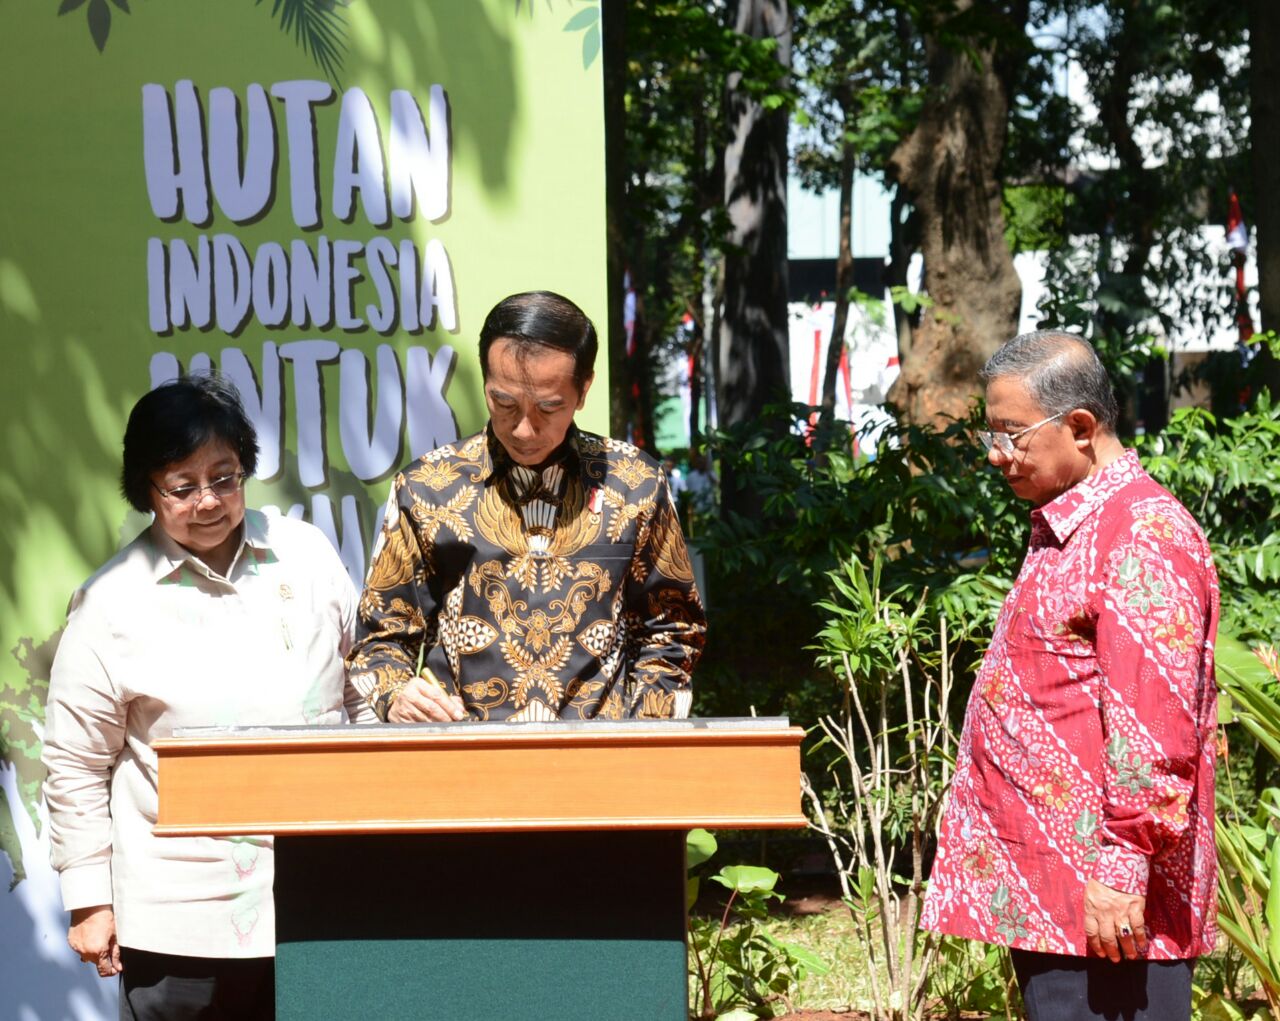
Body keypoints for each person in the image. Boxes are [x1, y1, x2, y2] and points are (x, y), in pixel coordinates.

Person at [42, 375, 376, 1020]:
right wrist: (90, 900)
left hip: (325, 900)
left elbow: (359, 690)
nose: (208, 502)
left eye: (224, 478)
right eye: (182, 486)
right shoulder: (111, 601)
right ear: (147, 489)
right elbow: (76, 765)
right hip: (180, 920)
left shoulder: (304, 554)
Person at [920, 331, 1218, 1021]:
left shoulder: (1141, 534)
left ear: (1080, 427)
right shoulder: (1078, 526)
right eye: (990, 435)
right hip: (1059, 901)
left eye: (1013, 435)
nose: (997, 455)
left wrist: (1119, 871)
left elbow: (1155, 728)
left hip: (1110, 912)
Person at [348, 290, 706, 723]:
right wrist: (397, 695)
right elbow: (379, 639)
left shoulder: (633, 484)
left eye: (549, 407)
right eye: (504, 403)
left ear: (583, 389)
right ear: (484, 382)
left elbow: (671, 629)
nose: (523, 428)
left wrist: (640, 735)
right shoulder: (428, 488)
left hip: (600, 767)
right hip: (464, 763)